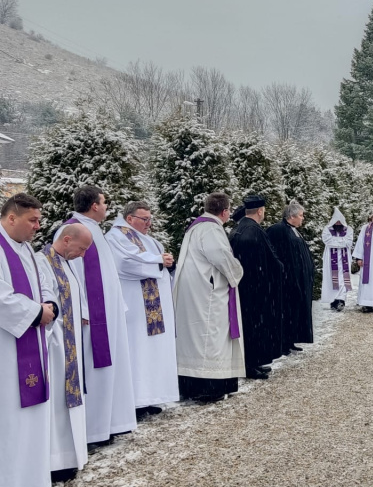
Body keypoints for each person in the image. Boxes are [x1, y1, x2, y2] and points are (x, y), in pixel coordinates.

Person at [58, 186, 137, 448]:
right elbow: (72, 274)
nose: (106, 207)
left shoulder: (94, 230)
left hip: (107, 311)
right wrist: (81, 309)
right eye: (104, 203)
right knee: (93, 370)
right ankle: (93, 430)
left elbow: (107, 273)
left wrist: (119, 304)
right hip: (91, 316)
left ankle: (109, 423)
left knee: (109, 369)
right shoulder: (73, 230)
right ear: (94, 205)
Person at [0, 194, 56, 487]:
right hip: (6, 351)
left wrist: (49, 306)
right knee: (7, 421)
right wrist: (38, 312)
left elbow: (44, 285)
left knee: (28, 418)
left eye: (39, 220)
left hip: (31, 342)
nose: (38, 226)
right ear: (11, 218)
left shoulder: (28, 252)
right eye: (32, 220)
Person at [106, 201, 179, 417]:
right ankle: (136, 400)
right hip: (136, 306)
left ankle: (150, 397)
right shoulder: (116, 236)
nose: (149, 223)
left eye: (150, 219)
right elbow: (125, 263)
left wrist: (167, 263)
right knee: (137, 350)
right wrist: (158, 261)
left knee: (152, 352)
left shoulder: (146, 239)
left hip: (153, 306)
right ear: (130, 219)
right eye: (144, 219)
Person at [173, 193, 244, 402]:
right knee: (210, 336)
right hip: (208, 294)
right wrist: (237, 271)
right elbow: (220, 255)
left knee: (195, 337)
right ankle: (209, 386)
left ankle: (190, 384)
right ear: (224, 212)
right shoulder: (211, 228)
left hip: (196, 289)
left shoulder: (195, 227)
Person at [36, 222, 93, 482]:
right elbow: (46, 297)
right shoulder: (42, 261)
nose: (82, 255)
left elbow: (74, 293)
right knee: (57, 402)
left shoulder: (68, 262)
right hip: (55, 342)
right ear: (67, 240)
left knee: (70, 398)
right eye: (81, 249)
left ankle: (71, 456)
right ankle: (56, 460)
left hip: (70, 341)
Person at [228, 195, 285, 379]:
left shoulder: (241, 228)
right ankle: (250, 364)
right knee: (253, 326)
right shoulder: (254, 230)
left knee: (249, 325)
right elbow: (269, 259)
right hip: (255, 287)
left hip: (246, 285)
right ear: (260, 211)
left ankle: (253, 362)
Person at [266, 203, 315, 354]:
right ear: (292, 216)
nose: (303, 218)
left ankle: (291, 339)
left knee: (296, 310)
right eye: (301, 215)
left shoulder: (294, 231)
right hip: (289, 280)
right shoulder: (278, 230)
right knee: (287, 311)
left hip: (299, 279)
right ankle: (283, 342)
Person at [321, 207, 353, 312]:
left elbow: (348, 242)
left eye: (340, 222)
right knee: (332, 279)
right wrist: (341, 242)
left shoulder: (349, 229)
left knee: (343, 279)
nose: (338, 224)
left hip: (344, 258)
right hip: (331, 258)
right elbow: (327, 241)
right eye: (336, 221)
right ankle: (333, 301)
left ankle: (341, 300)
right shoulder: (327, 229)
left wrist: (336, 241)